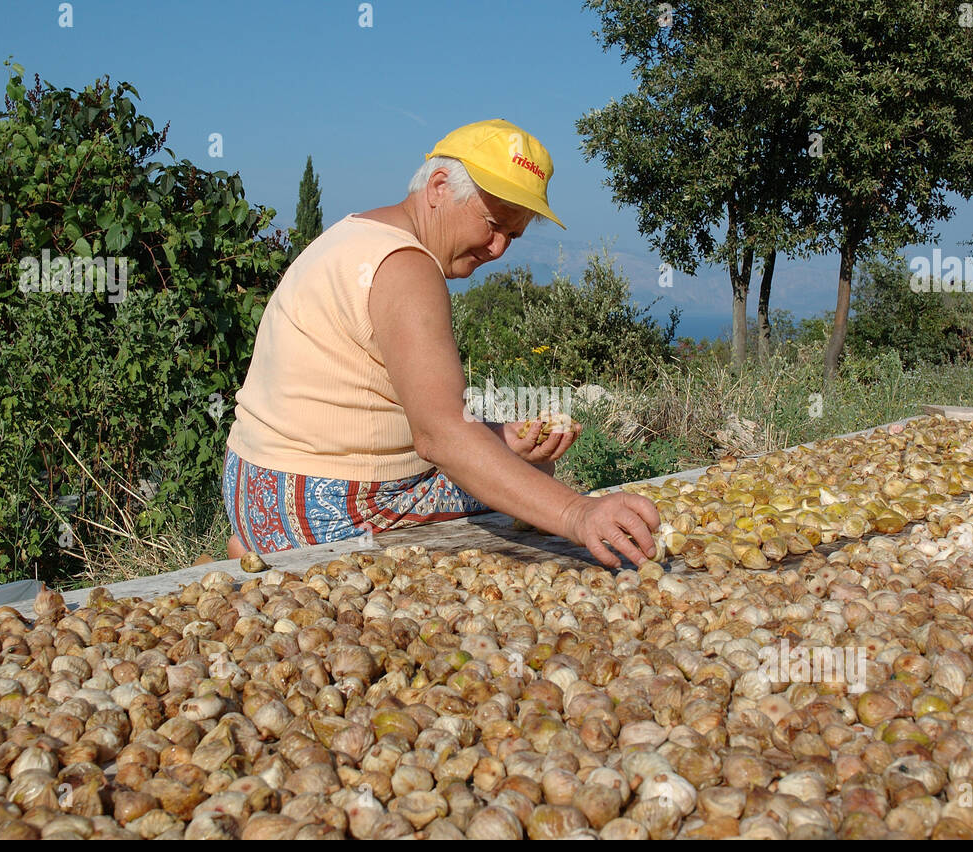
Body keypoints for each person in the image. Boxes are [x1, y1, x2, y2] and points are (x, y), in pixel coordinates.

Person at [222, 118, 659, 568]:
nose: (498, 248)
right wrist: (576, 512)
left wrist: (498, 436)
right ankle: (288, 552)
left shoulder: (356, 234)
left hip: (256, 488)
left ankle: (256, 545)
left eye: (513, 235)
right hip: (325, 510)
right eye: (493, 225)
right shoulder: (406, 268)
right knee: (530, 488)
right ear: (438, 186)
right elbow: (440, 437)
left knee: (508, 466)